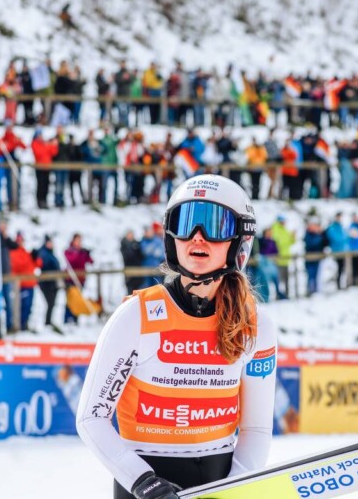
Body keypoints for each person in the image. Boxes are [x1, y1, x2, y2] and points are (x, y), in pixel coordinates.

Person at [77, 174, 276, 499]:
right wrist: (144, 482)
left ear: (240, 238)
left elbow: (256, 429)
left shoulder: (255, 325)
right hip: (144, 485)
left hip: (219, 478)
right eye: (186, 223)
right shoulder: (135, 317)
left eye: (215, 224)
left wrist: (234, 487)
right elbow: (91, 417)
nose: (197, 237)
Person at [37, 235, 62, 333]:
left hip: (53, 282)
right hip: (46, 282)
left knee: (52, 303)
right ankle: (47, 322)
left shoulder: (51, 254)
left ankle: (49, 321)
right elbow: (44, 264)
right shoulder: (43, 253)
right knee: (50, 302)